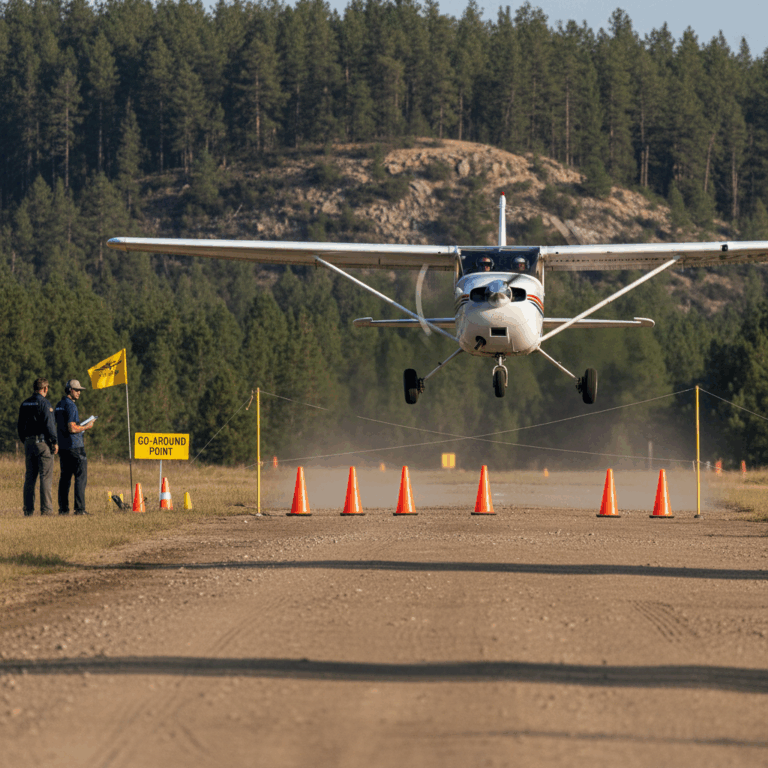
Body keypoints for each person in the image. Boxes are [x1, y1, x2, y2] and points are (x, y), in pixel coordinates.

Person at [17, 378, 59, 516]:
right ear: (45, 389)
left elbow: (20, 426)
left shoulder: (24, 403)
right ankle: (46, 510)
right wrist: (54, 441)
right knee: (45, 477)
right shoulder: (45, 403)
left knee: (30, 477)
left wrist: (26, 440)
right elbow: (49, 425)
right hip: (42, 444)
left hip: (28, 443)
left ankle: (28, 510)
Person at [55, 379, 94, 515]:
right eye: (77, 390)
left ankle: (63, 509)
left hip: (63, 446)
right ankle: (79, 509)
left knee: (65, 478)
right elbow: (72, 428)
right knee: (80, 477)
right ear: (70, 390)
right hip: (75, 446)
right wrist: (87, 426)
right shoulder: (71, 406)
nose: (79, 393)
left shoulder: (59, 405)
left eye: (80, 390)